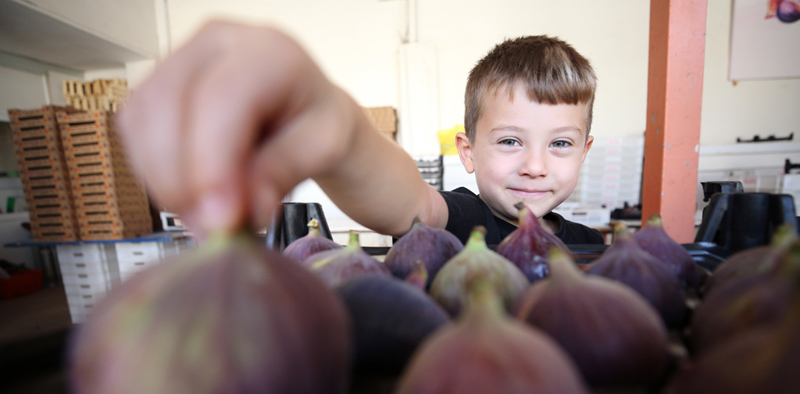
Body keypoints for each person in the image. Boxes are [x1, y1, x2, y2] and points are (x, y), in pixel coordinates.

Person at [118, 21, 604, 246]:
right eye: (510, 141)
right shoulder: (464, 220)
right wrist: (341, 131)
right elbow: (410, 203)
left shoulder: (593, 246)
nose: (535, 165)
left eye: (559, 143)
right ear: (467, 151)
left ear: (584, 152)